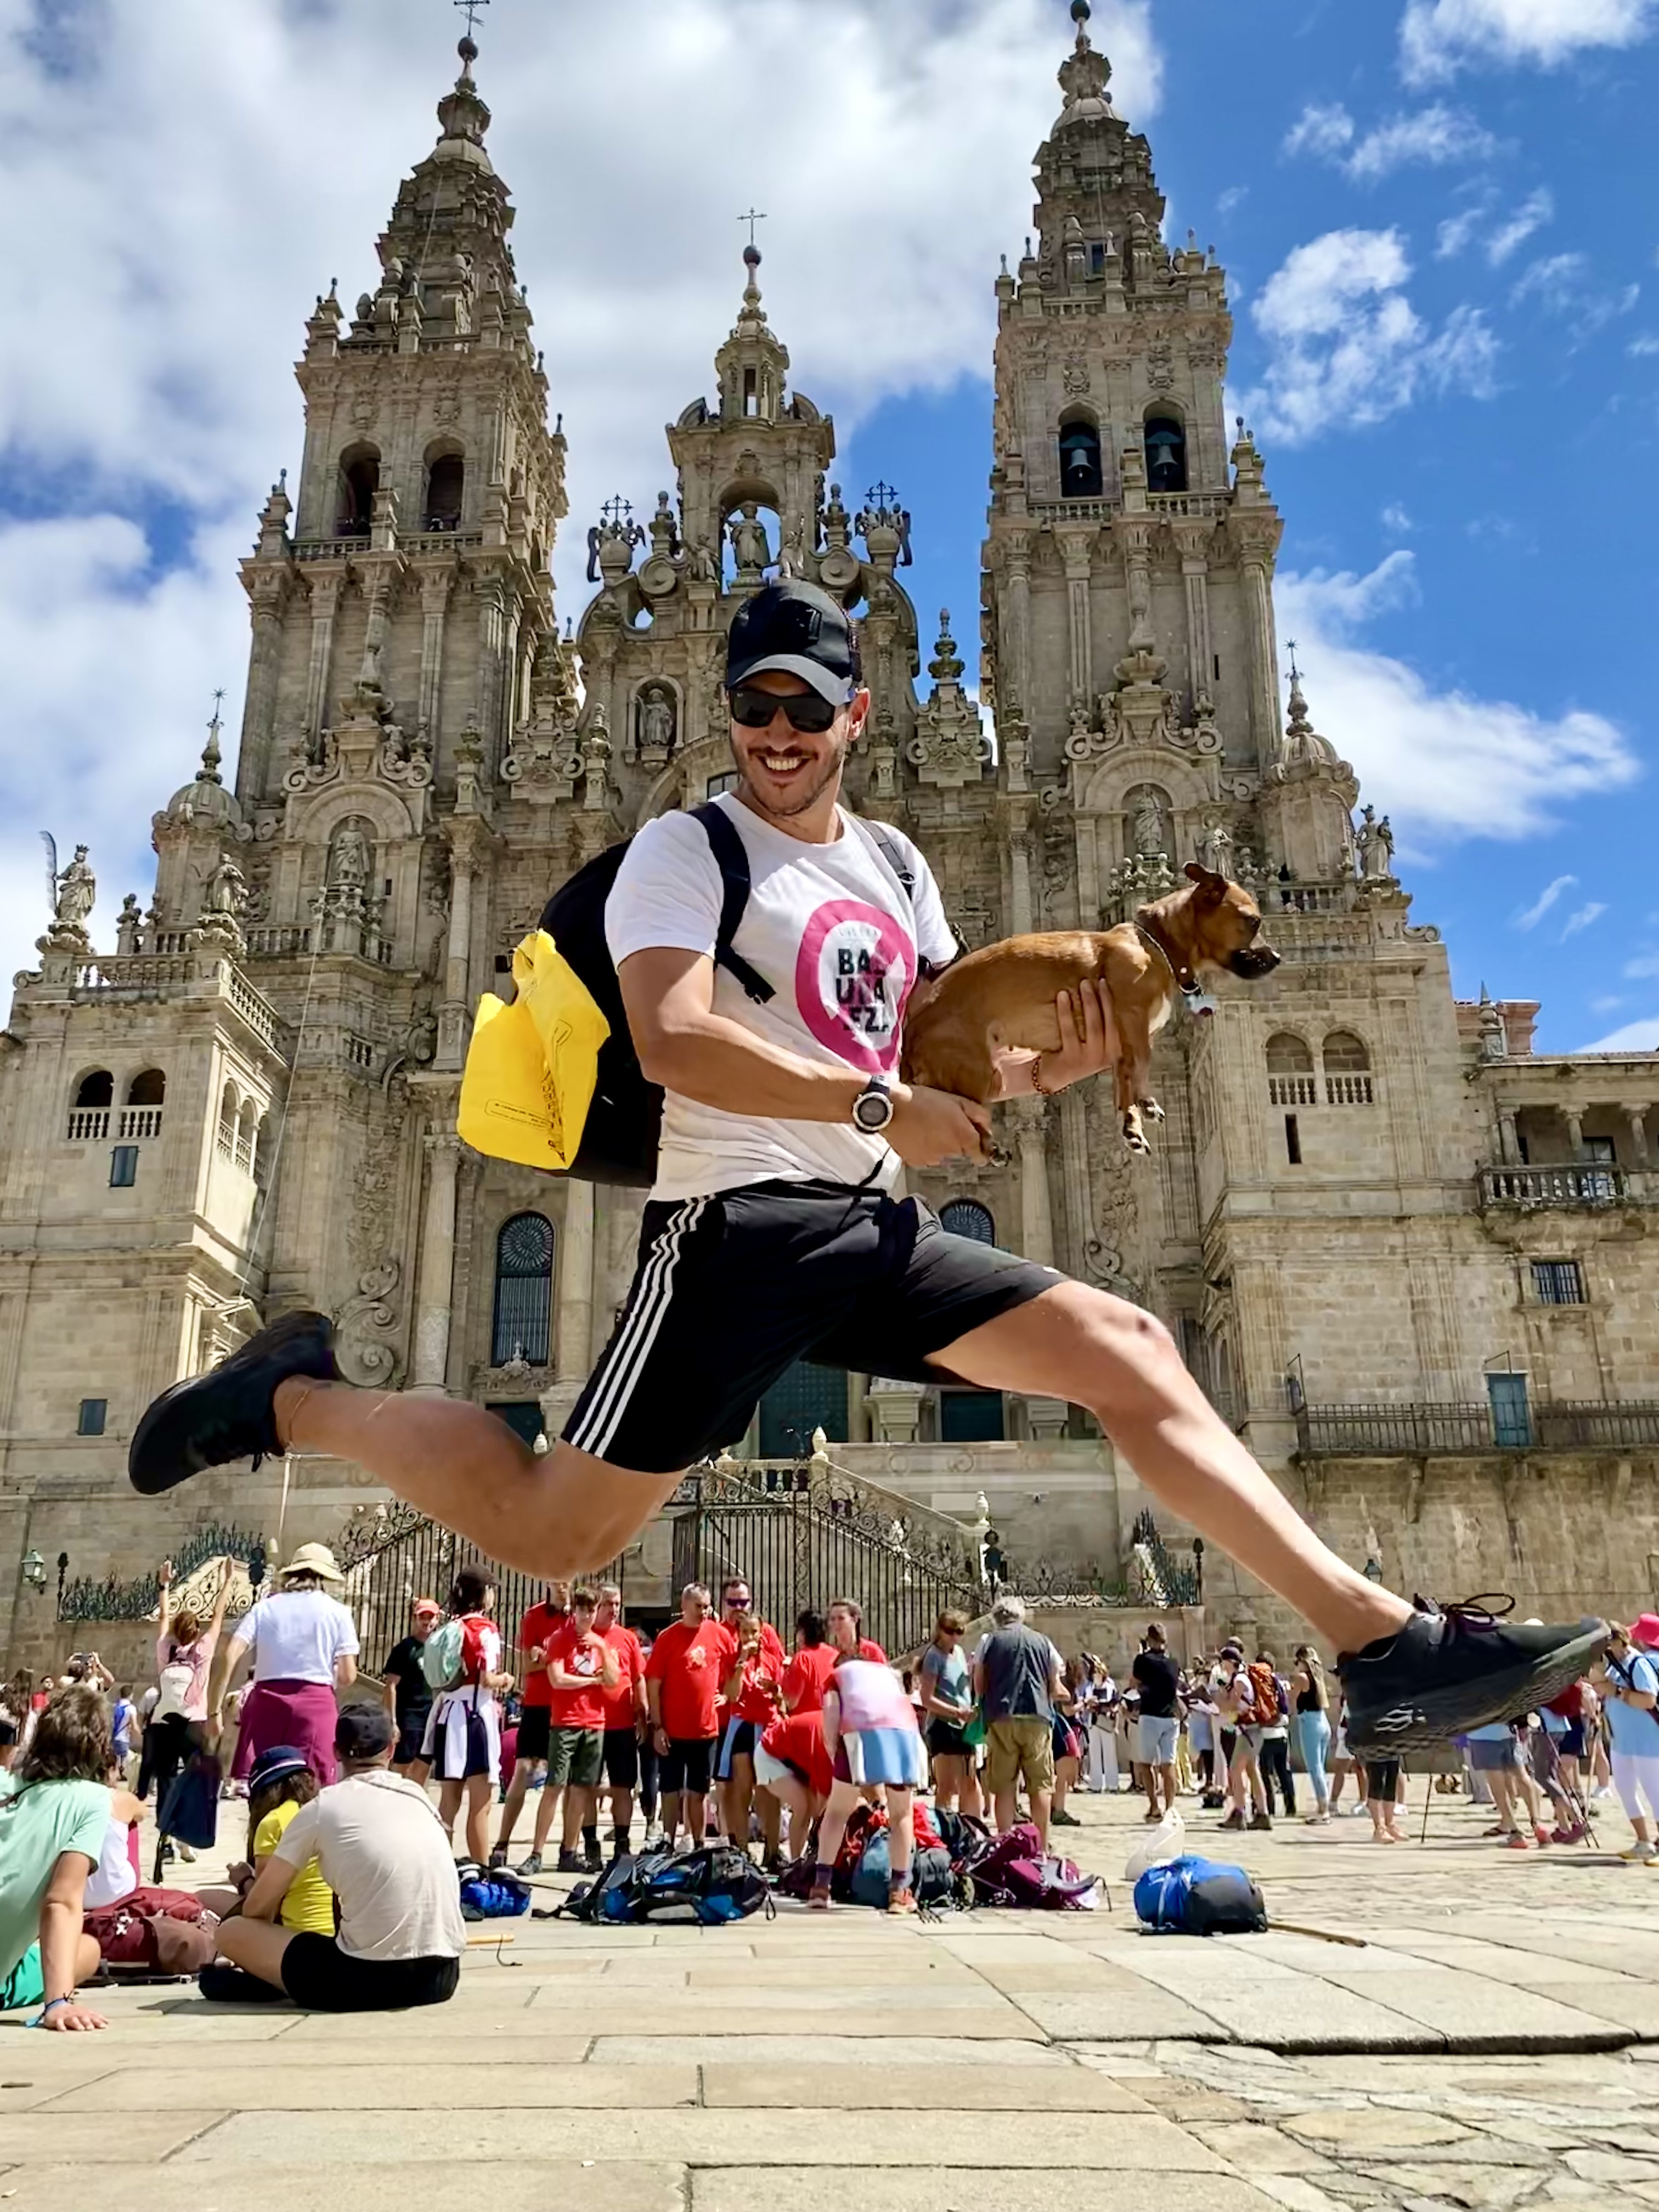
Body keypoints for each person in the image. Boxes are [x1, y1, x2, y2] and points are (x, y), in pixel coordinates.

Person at [128, 578, 1609, 1760]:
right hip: (731, 1238)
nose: (779, 730)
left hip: (867, 1221)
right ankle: (296, 1391)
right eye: (755, 705)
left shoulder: (901, 867)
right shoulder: (681, 852)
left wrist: (1055, 1064)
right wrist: (873, 1102)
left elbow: (947, 1057)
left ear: (857, 711)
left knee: (1131, 1345)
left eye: (807, 707)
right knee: (546, 1528)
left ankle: (1380, 1649)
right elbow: (674, 1038)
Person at [210, 1702, 464, 2011]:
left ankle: (275, 1981)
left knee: (233, 1932)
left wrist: (248, 1888)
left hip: (370, 1979)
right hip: (442, 1975)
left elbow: (258, 1908)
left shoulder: (322, 1808)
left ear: (335, 1751)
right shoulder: (419, 1797)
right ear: (391, 1749)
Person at [0, 1685, 113, 2030]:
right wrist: (58, 2002)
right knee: (89, 1949)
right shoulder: (92, 1800)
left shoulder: (6, 1781)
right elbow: (61, 1901)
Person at [208, 1543, 359, 1787]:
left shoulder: (265, 1608)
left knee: (264, 1786)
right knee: (312, 1787)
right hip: (315, 1705)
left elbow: (231, 1653)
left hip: (266, 1703)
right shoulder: (338, 1612)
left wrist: (214, 1711)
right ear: (324, 1577)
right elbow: (348, 1675)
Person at [810, 1651, 928, 1914]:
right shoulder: (890, 1674)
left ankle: (820, 1887)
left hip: (859, 1733)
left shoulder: (836, 1676)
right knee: (901, 1815)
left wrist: (835, 1754)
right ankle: (899, 1892)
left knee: (838, 1811)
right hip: (903, 1735)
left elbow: (831, 1716)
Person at [422, 1568, 515, 1866]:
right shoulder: (485, 1630)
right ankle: (483, 1869)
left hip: (448, 1714)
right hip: (475, 1717)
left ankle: (439, 1866)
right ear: (483, 1593)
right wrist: (506, 1680)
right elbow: (487, 1679)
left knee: (448, 1801)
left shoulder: (452, 1626)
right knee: (481, 1803)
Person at [528, 1586, 618, 1876]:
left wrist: (602, 1649)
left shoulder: (600, 1643)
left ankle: (569, 1849)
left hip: (594, 1722)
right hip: (566, 1721)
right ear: (575, 1611)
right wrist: (591, 1682)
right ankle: (537, 1852)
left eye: (591, 1610)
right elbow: (558, 1679)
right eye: (582, 1610)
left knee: (582, 1789)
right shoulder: (560, 1640)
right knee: (554, 1786)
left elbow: (613, 1679)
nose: (587, 1615)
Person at [150, 1557, 235, 1832]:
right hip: (194, 1722)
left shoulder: (166, 1648)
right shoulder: (204, 1648)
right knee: (193, 1777)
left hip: (164, 1723)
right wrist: (227, 1582)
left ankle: (165, 1831)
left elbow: (163, 1617)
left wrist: (165, 1585)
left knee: (165, 1780)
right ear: (196, 1630)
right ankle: (186, 1834)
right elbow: (219, 1616)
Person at [974, 1594, 1066, 1850]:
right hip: (1038, 1716)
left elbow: (979, 1685)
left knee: (1004, 1784)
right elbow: (1054, 1681)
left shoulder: (989, 1641)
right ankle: (1042, 1845)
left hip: (1002, 1716)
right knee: (1041, 1784)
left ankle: (1004, 1842)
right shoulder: (1043, 1641)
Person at [645, 1584, 734, 1848]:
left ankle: (698, 1842)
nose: (704, 1611)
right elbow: (654, 1684)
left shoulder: (718, 1634)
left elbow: (736, 1666)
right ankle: (668, 1840)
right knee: (670, 1790)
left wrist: (727, 1696)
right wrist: (657, 1726)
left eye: (707, 1605)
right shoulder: (668, 1638)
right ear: (684, 1606)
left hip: (705, 1730)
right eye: (699, 1606)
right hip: (673, 1729)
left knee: (699, 1791)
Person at [493, 1580, 571, 1868]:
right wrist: (558, 1658)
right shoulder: (535, 1615)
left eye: (568, 1581)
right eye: (558, 1581)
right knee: (523, 1771)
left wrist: (547, 1655)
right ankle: (502, 1843)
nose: (563, 1587)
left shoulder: (578, 1617)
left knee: (563, 1782)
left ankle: (563, 1850)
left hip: (567, 1707)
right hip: (538, 1705)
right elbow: (527, 1664)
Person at [718, 1605, 786, 1864]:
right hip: (743, 1725)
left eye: (754, 1632)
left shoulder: (772, 1659)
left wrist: (777, 1691)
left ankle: (771, 1850)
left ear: (762, 1633)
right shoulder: (734, 1659)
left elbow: (782, 1700)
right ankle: (742, 1848)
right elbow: (732, 1696)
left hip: (767, 1726)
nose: (749, 1637)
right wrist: (741, 1664)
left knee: (768, 1790)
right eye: (745, 1632)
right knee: (742, 1789)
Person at [594, 1583, 647, 1855]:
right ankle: (590, 1843)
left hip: (622, 1724)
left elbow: (639, 1677)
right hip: (590, 1724)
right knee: (588, 1787)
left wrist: (642, 1711)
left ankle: (623, 1842)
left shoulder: (627, 1638)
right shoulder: (586, 1636)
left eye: (617, 1604)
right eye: (608, 1604)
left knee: (623, 1786)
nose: (614, 1609)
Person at [1599, 1624, 1659, 1862]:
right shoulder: (1614, 1664)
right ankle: (1643, 1841)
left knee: (1655, 1793)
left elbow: (1648, 1700)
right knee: (1625, 1790)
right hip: (1622, 1741)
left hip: (1647, 1740)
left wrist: (1616, 1692)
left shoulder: (1638, 1663)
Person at [919, 1610, 980, 1816]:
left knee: (970, 1781)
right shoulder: (933, 1656)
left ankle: (971, 1828)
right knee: (946, 1786)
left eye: (959, 1631)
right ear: (940, 1630)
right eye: (950, 1631)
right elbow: (927, 1698)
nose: (955, 1636)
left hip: (964, 1725)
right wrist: (956, 1712)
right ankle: (943, 1831)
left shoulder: (960, 1653)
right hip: (943, 1725)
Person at [380, 1597, 441, 1781]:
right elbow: (391, 1686)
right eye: (423, 1616)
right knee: (402, 1765)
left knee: (423, 1766)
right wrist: (392, 1720)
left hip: (430, 1714)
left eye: (431, 1617)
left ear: (437, 1620)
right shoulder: (405, 1649)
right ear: (415, 1619)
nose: (427, 1621)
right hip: (409, 1716)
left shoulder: (440, 1648)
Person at [1212, 1645, 1269, 1832]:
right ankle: (1262, 1814)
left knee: (1235, 1770)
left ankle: (1240, 1813)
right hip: (1250, 1731)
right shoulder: (1238, 1679)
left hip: (1248, 1732)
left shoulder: (1240, 1680)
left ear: (1231, 1662)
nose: (1222, 1666)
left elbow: (1230, 1706)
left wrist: (1218, 1700)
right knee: (1252, 1770)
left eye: (1223, 1662)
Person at [1131, 1623, 1181, 1821]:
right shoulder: (1174, 1662)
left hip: (1150, 1715)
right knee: (1168, 1764)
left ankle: (1154, 1806)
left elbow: (1134, 1683)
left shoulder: (1143, 1660)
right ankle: (1170, 1808)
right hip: (1170, 1716)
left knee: (1146, 1764)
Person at [1292, 1645, 1333, 1824]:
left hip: (1310, 1723)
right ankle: (1322, 1805)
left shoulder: (1302, 1677)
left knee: (1314, 1767)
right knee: (1320, 1768)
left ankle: (1324, 1810)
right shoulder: (1318, 1677)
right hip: (1322, 1721)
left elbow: (1291, 1698)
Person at [1255, 1648, 1297, 1819]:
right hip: (1281, 1733)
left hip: (1264, 1734)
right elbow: (1288, 1709)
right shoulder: (1281, 1683)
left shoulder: (1257, 1684)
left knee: (1266, 1773)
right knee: (1284, 1771)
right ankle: (1291, 1806)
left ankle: (1269, 1808)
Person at [780, 1609, 836, 1714]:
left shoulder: (803, 1659)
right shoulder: (835, 1655)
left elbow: (791, 1703)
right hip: (830, 1721)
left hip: (804, 1722)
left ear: (802, 1632)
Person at [1086, 1662, 1121, 1795]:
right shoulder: (1090, 1687)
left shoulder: (1110, 1687)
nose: (1096, 1675)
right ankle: (1096, 1784)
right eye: (1094, 1673)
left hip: (1106, 1722)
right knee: (1094, 1753)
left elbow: (1115, 1704)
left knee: (1110, 1753)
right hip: (1093, 1722)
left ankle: (1113, 1784)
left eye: (1098, 1672)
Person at [828, 1598, 887, 1667]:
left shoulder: (871, 1651)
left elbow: (885, 1676)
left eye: (841, 1618)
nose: (836, 1623)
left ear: (855, 1619)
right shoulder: (829, 1654)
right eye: (833, 1619)